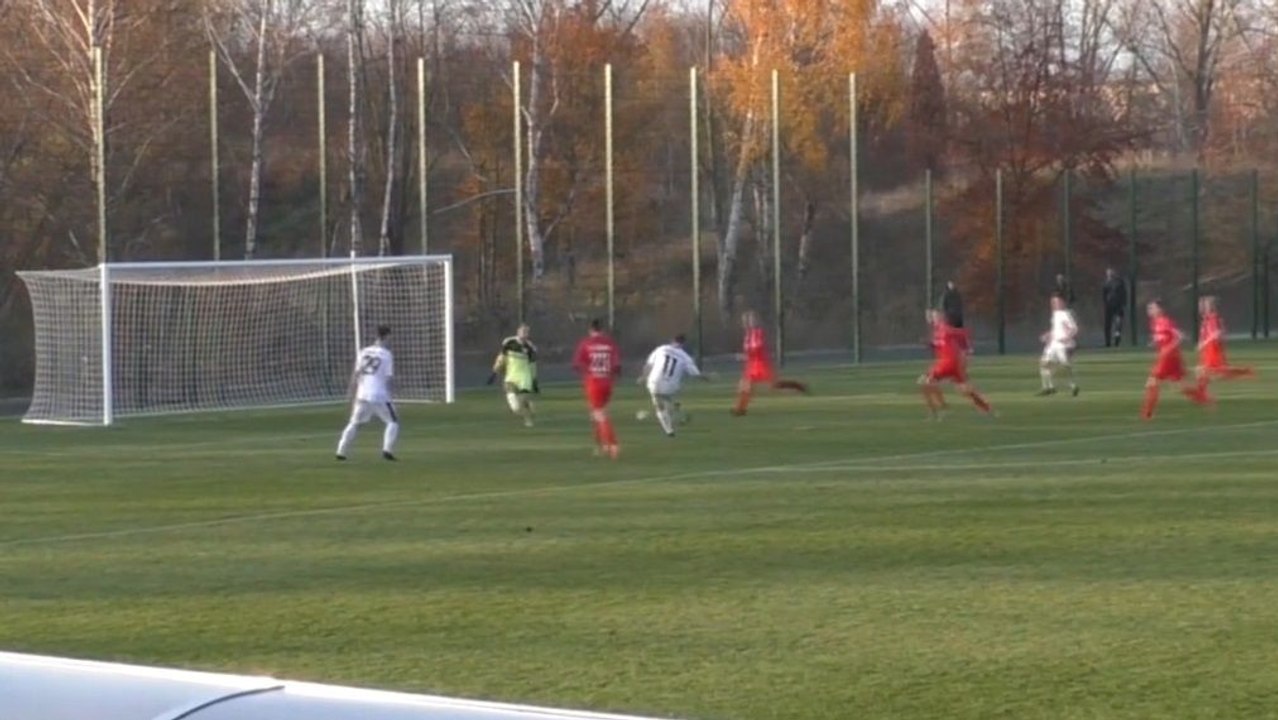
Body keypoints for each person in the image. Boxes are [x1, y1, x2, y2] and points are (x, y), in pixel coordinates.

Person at [336, 324, 399, 461]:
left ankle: (341, 451)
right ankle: (387, 451)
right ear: (387, 336)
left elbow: (356, 374)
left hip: (362, 394)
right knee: (393, 422)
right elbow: (388, 378)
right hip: (379, 395)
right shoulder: (387, 355)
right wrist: (392, 395)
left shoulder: (363, 351)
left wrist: (350, 392)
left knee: (354, 423)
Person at [732, 310, 808, 416]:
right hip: (751, 365)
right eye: (746, 321)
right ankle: (740, 410)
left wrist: (746, 355)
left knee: (775, 385)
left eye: (750, 320)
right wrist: (744, 356)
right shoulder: (747, 336)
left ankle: (798, 386)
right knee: (745, 386)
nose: (747, 323)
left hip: (761, 364)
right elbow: (748, 351)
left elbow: (758, 347)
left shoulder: (759, 333)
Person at [919, 309, 993, 418]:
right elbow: (940, 344)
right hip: (953, 363)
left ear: (942, 318)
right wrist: (930, 344)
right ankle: (986, 408)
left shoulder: (945, 329)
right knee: (964, 389)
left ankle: (937, 411)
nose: (933, 318)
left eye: (935, 316)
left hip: (947, 363)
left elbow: (963, 333)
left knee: (924, 383)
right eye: (933, 317)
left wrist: (968, 349)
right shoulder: (937, 331)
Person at [1141, 301, 1208, 420]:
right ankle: (1202, 398)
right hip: (1172, 358)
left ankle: (1147, 414)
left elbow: (1179, 336)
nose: (1149, 310)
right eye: (1149, 308)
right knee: (1178, 387)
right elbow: (1163, 337)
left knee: (1152, 382)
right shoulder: (1154, 323)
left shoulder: (1165, 321)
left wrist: (1169, 347)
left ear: (1160, 309)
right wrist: (1155, 342)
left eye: (1152, 308)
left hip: (1168, 357)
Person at [639, 334, 707, 437]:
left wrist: (643, 377)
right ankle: (677, 409)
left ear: (672, 341)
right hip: (670, 386)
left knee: (658, 404)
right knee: (666, 398)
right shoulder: (685, 357)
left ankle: (669, 430)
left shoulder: (661, 349)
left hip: (654, 382)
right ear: (683, 344)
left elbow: (648, 365)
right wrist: (707, 377)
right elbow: (695, 374)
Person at [573, 319, 622, 458]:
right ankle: (601, 445)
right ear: (602, 330)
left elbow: (577, 364)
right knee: (596, 413)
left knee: (599, 414)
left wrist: (586, 371)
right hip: (607, 382)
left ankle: (612, 444)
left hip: (594, 382)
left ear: (590, 330)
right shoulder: (610, 344)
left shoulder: (586, 344)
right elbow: (617, 365)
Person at [1193, 296, 1254, 399]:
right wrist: (1202, 342)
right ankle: (1201, 393)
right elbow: (1212, 332)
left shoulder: (1213, 318)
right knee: (1204, 371)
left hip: (1214, 350)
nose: (1202, 307)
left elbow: (1217, 333)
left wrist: (1204, 343)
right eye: (1202, 305)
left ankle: (1245, 371)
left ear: (1211, 307)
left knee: (1217, 372)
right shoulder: (1207, 319)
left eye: (1205, 305)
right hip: (1208, 350)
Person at [488, 323, 538, 427]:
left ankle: (527, 418)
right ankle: (526, 410)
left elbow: (533, 366)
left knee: (522, 400)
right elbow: (501, 358)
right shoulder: (509, 342)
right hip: (511, 377)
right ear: (518, 332)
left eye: (526, 332)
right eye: (522, 331)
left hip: (525, 378)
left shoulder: (530, 348)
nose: (524, 334)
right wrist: (494, 372)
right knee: (515, 407)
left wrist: (534, 381)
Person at [1038, 294, 1080, 396]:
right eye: (1052, 302)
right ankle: (1048, 387)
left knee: (1064, 366)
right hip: (1053, 344)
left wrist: (1067, 338)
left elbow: (1074, 328)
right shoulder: (1055, 315)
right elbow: (1055, 330)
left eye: (1056, 302)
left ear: (1062, 303)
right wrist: (1047, 335)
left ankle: (1073, 385)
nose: (1053, 304)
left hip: (1061, 345)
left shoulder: (1064, 314)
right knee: (1044, 363)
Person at [1102, 268, 1127, 347]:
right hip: (1111, 306)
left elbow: (1124, 293)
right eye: (1108, 273)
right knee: (1110, 324)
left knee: (1116, 323)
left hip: (1116, 306)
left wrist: (1123, 303)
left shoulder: (1118, 282)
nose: (1109, 275)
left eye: (1110, 273)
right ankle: (1109, 340)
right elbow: (1104, 295)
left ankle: (1115, 339)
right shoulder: (1106, 283)